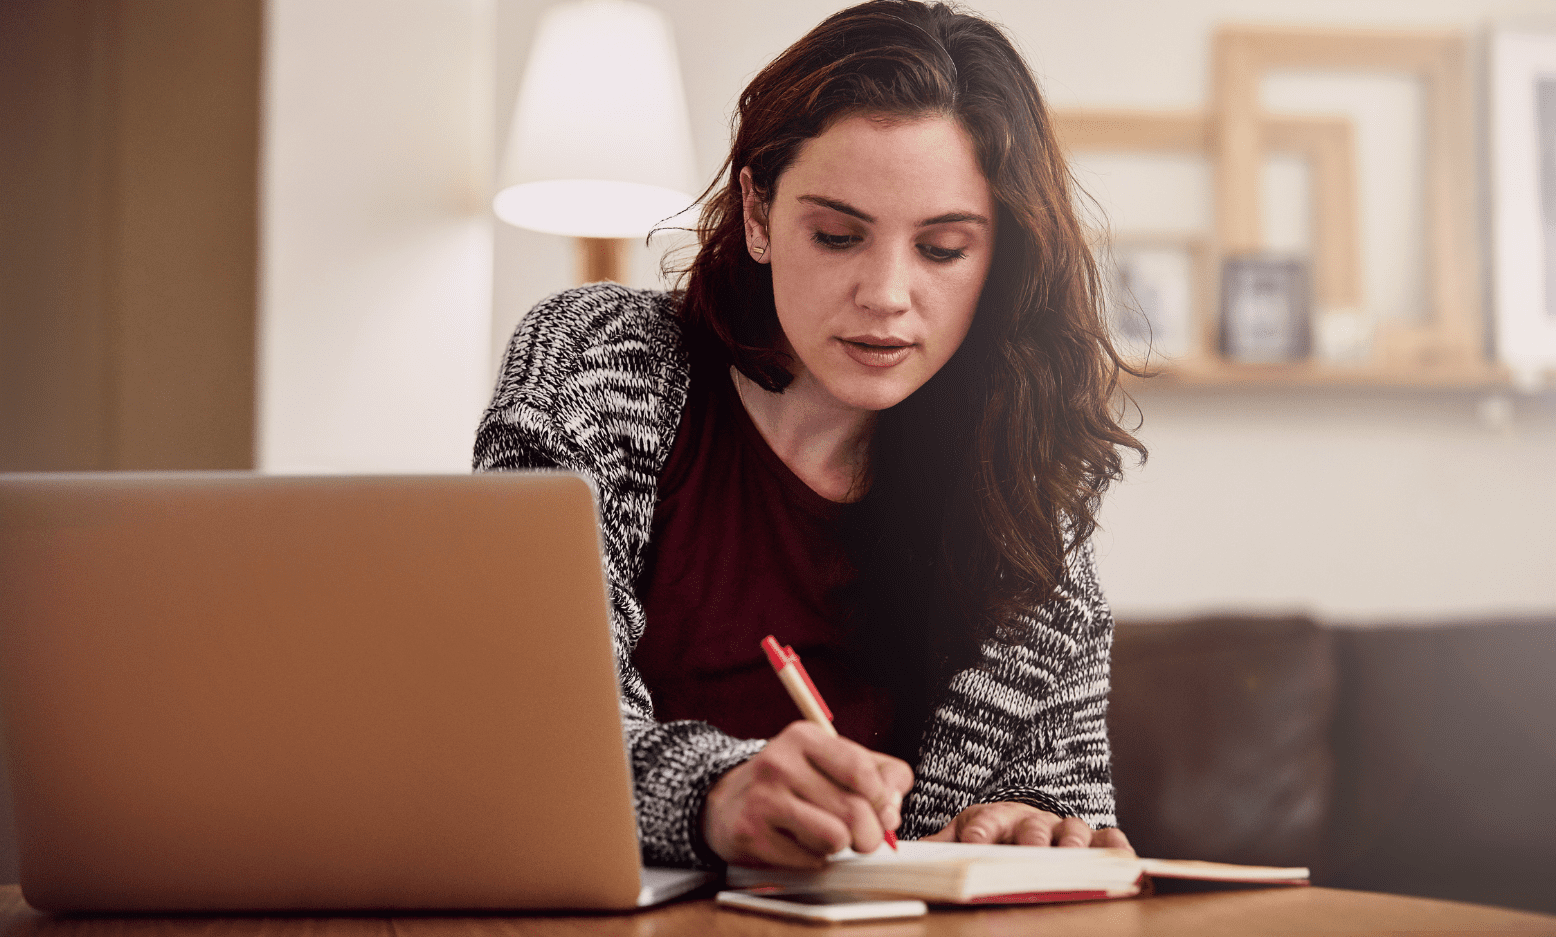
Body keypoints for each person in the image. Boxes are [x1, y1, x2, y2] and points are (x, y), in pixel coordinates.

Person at [474, 0, 1145, 870]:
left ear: (1000, 255)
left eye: (942, 249)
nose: (886, 294)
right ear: (756, 211)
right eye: (836, 235)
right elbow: (526, 721)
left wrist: (1035, 832)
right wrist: (718, 794)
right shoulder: (597, 362)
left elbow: (1066, 804)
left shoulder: (1022, 478)